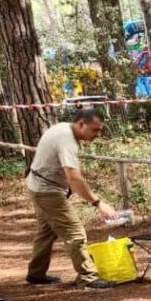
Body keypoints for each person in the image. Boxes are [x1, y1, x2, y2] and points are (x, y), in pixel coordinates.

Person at [25, 107, 120, 287]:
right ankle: (88, 278)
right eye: (95, 129)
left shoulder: (63, 129)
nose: (98, 134)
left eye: (100, 130)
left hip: (39, 186)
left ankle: (36, 274)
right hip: (47, 191)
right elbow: (74, 178)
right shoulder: (66, 139)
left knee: (46, 232)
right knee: (75, 232)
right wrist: (98, 203)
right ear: (81, 123)